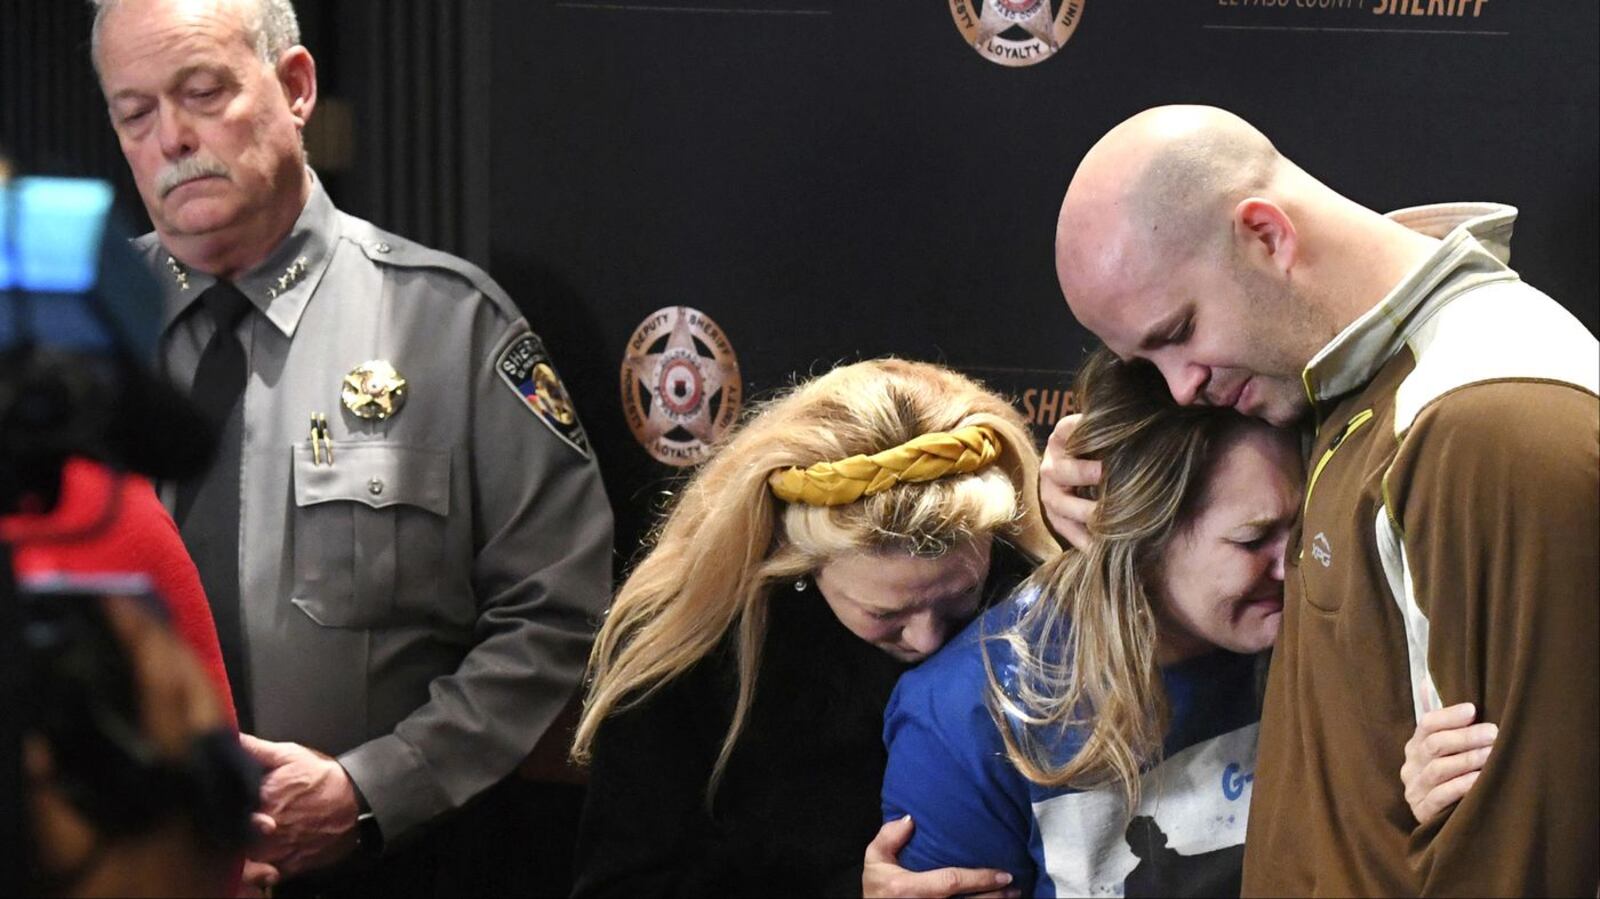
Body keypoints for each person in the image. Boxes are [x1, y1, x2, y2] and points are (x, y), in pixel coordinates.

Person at [89, 0, 615, 891]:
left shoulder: (451, 327)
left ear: (295, 87)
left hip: (394, 866)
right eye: (135, 112)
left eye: (204, 91)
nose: (171, 137)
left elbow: (560, 612)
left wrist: (369, 791)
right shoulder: (66, 337)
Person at [1045, 105, 1598, 895]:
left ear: (1267, 235)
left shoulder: (1487, 422)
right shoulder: (1342, 380)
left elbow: (1532, 857)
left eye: (1180, 331)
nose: (1182, 387)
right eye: (1146, 361)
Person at [879, 349, 1486, 896]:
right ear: (1138, 539)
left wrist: (1421, 821)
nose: (1293, 564)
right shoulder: (967, 714)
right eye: (1253, 540)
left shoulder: (1341, 631)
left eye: (1299, 528)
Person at [569, 358, 1060, 897]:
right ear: (794, 560)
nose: (928, 641)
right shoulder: (686, 652)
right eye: (885, 616)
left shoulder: (1036, 598)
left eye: (961, 599)